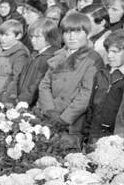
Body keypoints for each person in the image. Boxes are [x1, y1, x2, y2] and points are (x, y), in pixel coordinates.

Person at [37, 12, 106, 148]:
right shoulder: (58, 55)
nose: (72, 37)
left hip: (72, 123)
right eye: (67, 32)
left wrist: (64, 118)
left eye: (77, 32)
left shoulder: (92, 59)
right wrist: (50, 110)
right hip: (49, 117)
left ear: (87, 33)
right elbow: (44, 85)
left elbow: (85, 95)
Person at [85, 28, 124, 142]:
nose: (110, 56)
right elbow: (91, 106)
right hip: (94, 134)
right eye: (108, 51)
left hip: (117, 138)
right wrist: (86, 133)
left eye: (115, 52)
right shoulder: (101, 73)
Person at [17, 19, 61, 107]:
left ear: (50, 37)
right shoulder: (35, 54)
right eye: (31, 37)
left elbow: (38, 84)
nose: (32, 40)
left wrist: (23, 100)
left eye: (37, 37)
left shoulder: (50, 58)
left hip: (33, 105)